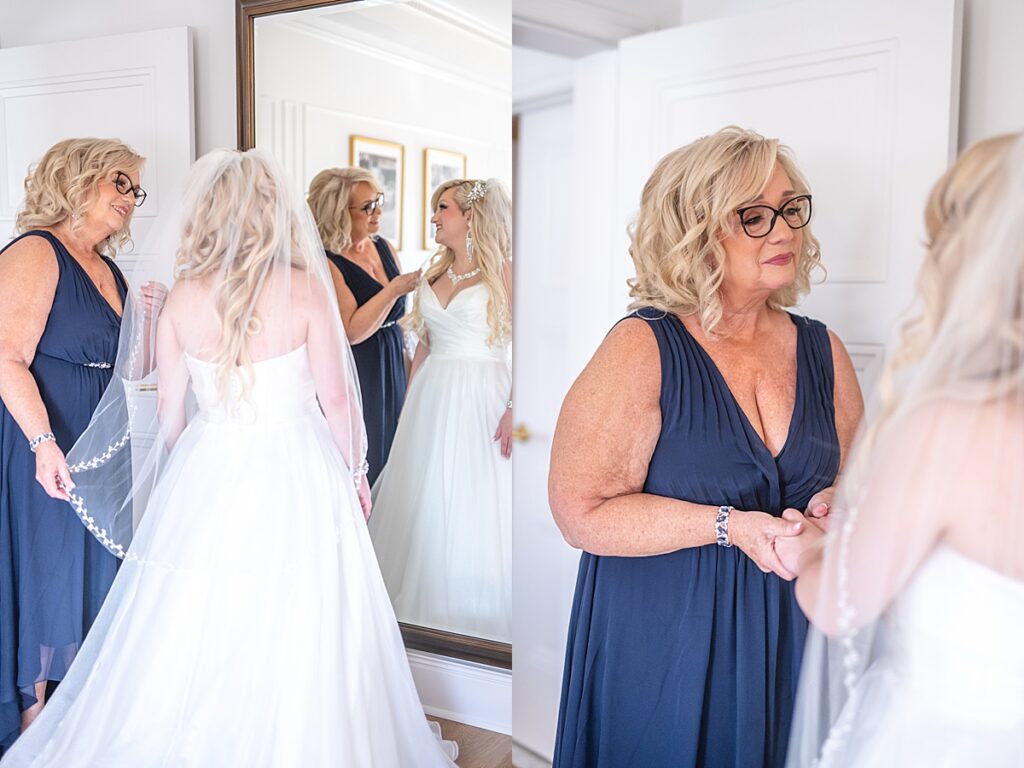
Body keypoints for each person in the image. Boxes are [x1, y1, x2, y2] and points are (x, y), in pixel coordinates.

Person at [0, 149, 457, 767]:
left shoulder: (182, 299)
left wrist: (186, 474)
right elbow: (341, 401)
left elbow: (167, 414)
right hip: (299, 462)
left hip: (209, 465)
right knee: (303, 607)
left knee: (201, 614)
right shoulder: (304, 290)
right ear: (275, 214)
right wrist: (355, 470)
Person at [548, 126, 864, 767]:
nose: (783, 231)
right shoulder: (642, 347)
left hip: (797, 636)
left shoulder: (824, 349)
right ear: (696, 228)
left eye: (790, 209)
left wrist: (837, 502)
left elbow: (862, 485)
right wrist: (728, 526)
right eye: (754, 216)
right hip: (670, 640)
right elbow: (579, 513)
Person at [782, 133, 1024, 767]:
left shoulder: (951, 429)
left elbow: (840, 605)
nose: (782, 232)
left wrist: (813, 553)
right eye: (751, 216)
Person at [0, 138, 163, 751]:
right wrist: (44, 443)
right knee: (48, 571)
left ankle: (78, 714)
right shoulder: (37, 252)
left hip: (100, 445)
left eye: (134, 189)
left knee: (92, 574)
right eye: (119, 183)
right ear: (78, 179)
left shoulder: (109, 268)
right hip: (45, 445)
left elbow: (131, 368)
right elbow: (5, 356)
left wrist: (152, 317)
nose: (130, 199)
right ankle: (32, 719)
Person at [368, 178, 513, 642]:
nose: (434, 217)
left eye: (442, 208)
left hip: (483, 394)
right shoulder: (431, 276)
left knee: (474, 498)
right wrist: (410, 403)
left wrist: (515, 406)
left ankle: (471, 618)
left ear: (471, 216)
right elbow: (426, 345)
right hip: (431, 394)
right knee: (424, 496)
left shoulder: (504, 273)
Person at [308, 168, 420, 486]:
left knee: (394, 456)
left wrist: (412, 369)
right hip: (359, 370)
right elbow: (352, 330)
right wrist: (394, 289)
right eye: (368, 206)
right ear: (338, 213)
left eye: (378, 202)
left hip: (393, 363)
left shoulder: (383, 246)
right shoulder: (328, 262)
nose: (378, 212)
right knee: (364, 456)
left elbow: (398, 321)